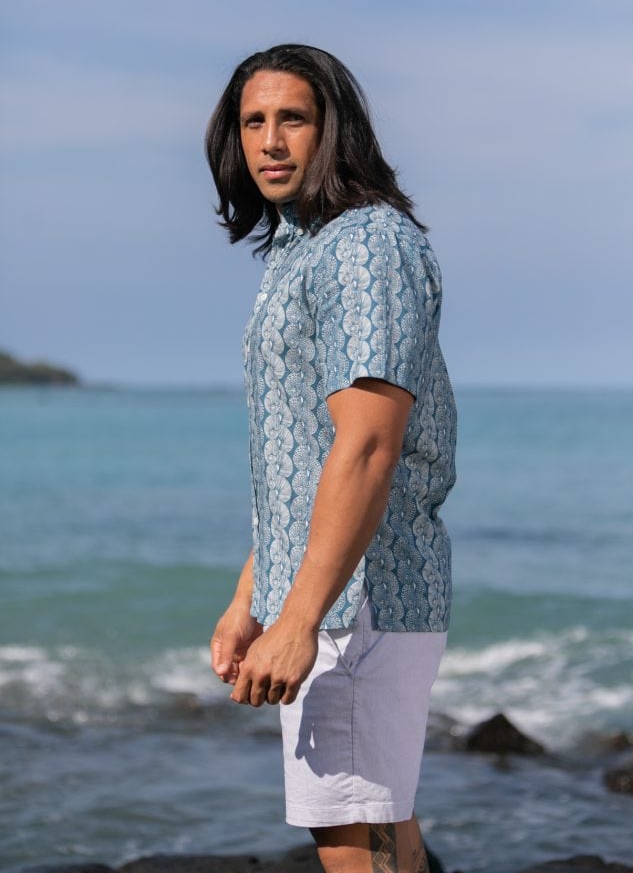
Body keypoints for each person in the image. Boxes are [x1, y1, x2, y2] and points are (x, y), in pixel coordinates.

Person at [205, 44, 457, 873]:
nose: (270, 141)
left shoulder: (363, 247)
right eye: (253, 122)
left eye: (293, 119)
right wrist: (253, 598)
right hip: (325, 595)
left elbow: (368, 442)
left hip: (361, 600)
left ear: (332, 130)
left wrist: (302, 620)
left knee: (354, 841)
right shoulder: (296, 250)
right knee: (376, 827)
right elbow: (298, 457)